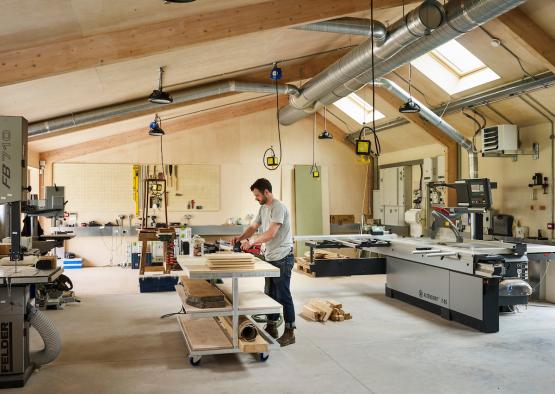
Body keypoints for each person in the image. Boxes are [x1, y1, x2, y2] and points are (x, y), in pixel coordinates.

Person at [233, 178, 295, 347]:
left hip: (283, 257)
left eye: (258, 195)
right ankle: (272, 326)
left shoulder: (278, 207)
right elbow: (253, 227)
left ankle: (290, 332)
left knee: (283, 295)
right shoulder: (263, 208)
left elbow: (271, 233)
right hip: (271, 256)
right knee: (270, 294)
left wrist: (251, 242)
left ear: (266, 192)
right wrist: (240, 238)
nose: (256, 198)